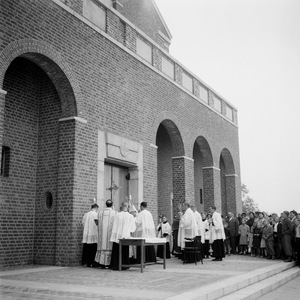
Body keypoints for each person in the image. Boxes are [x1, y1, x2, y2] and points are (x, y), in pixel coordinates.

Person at [109, 202, 136, 270]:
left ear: (121, 206)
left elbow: (113, 225)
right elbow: (133, 229)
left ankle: (115, 265)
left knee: (116, 251)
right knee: (124, 251)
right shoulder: (130, 216)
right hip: (125, 237)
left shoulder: (117, 215)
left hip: (117, 236)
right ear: (128, 207)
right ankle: (124, 265)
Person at [94, 199, 117, 268]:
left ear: (105, 204)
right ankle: (109, 263)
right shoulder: (115, 213)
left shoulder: (100, 213)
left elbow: (96, 222)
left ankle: (102, 264)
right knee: (110, 248)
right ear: (112, 205)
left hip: (102, 236)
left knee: (102, 248)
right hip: (110, 235)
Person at [82, 203, 99, 267]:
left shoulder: (86, 214)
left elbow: (83, 223)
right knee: (93, 249)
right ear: (96, 208)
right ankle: (92, 262)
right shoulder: (96, 214)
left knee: (86, 248)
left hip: (86, 234)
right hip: (94, 233)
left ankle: (86, 262)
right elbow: (97, 224)